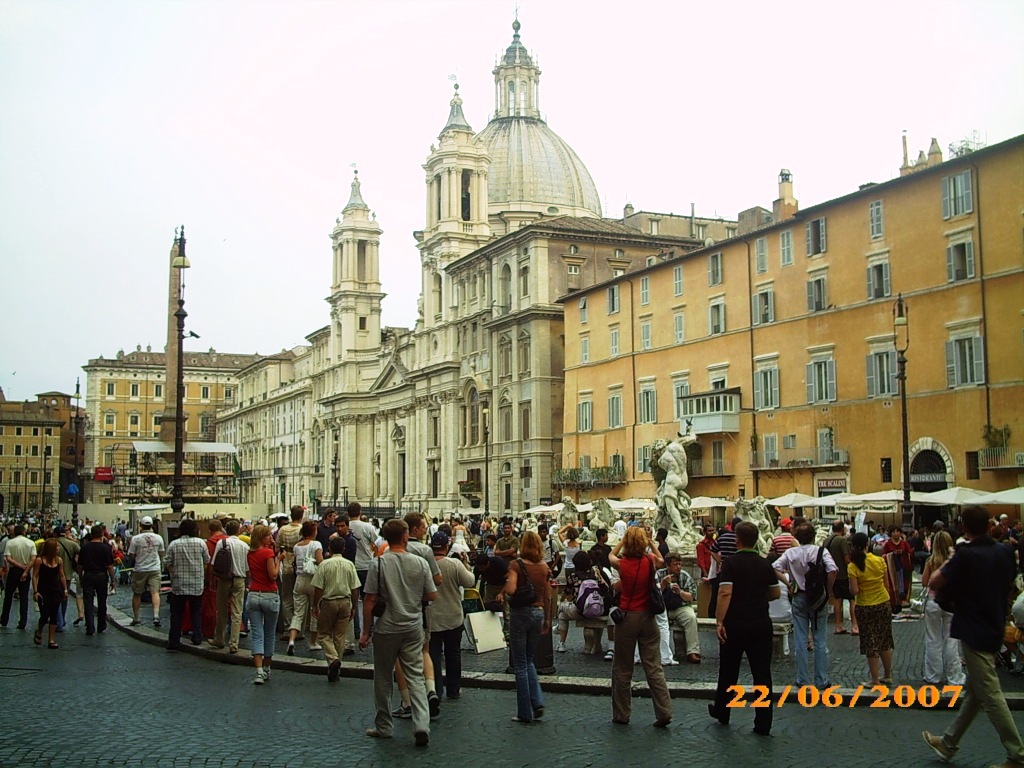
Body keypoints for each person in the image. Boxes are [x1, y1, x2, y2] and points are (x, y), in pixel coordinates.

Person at [923, 505, 1024, 767]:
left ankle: (1017, 754)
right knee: (975, 693)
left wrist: (950, 558)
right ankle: (947, 744)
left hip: (972, 628)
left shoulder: (965, 556)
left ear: (964, 528)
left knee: (990, 695)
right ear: (990, 525)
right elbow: (1010, 581)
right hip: (995, 625)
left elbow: (934, 582)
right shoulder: (1004, 551)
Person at [360, 518, 438, 747]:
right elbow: (432, 595)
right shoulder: (420, 562)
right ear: (405, 537)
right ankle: (422, 724)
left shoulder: (379, 563)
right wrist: (412, 596)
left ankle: (384, 726)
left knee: (383, 678)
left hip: (386, 627)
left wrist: (366, 631)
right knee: (415, 675)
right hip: (413, 626)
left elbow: (370, 599)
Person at [708, 521, 780, 737]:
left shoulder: (730, 563)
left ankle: (723, 710)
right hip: (760, 622)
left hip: (735, 624)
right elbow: (775, 593)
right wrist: (757, 597)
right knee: (762, 673)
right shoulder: (765, 563)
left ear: (738, 540)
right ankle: (763, 721)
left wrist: (719, 621)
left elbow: (725, 593)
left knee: (729, 670)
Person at [608, 526, 671, 728]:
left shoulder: (622, 564)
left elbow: (610, 554)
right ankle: (664, 711)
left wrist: (624, 541)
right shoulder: (649, 561)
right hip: (648, 617)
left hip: (627, 617)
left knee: (622, 668)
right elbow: (662, 560)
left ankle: (622, 713)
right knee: (654, 666)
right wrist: (650, 541)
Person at [772, 522, 838, 689]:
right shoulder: (821, 551)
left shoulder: (790, 553)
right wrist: (829, 590)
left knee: (800, 640)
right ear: (814, 536)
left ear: (797, 538)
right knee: (820, 639)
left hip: (799, 596)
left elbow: (775, 567)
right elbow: (833, 570)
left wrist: (788, 583)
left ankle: (802, 679)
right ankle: (821, 680)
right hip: (818, 597)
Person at [502, 530, 551, 724]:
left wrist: (506, 587)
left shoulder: (516, 564)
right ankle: (537, 701)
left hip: (520, 613)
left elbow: (512, 590)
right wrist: (547, 620)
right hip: (538, 613)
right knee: (529, 660)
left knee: (520, 663)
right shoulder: (544, 567)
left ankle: (524, 712)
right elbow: (547, 596)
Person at [428, 531, 475, 700]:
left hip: (432, 617)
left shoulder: (426, 564)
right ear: (447, 546)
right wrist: (465, 563)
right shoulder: (454, 564)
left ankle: (436, 690)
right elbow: (470, 581)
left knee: (433, 655)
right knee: (453, 654)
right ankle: (454, 689)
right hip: (453, 616)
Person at [311, 535, 361, 682]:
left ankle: (332, 659)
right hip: (345, 601)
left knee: (324, 633)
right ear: (344, 549)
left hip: (329, 601)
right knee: (340, 636)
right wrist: (353, 606)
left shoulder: (324, 565)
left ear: (329, 548)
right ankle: (336, 666)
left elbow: (318, 588)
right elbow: (355, 588)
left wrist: (315, 605)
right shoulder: (349, 565)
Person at [847, 531, 894, 686]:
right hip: (883, 602)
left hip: (865, 605)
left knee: (870, 642)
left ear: (853, 546)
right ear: (868, 544)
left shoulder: (853, 566)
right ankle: (887, 675)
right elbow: (886, 584)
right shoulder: (880, 560)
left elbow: (855, 591)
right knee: (885, 640)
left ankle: (875, 679)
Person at [922, 530, 965, 686]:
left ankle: (932, 675)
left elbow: (925, 582)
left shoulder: (930, 561)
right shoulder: (955, 561)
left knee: (933, 639)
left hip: (933, 602)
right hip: (951, 603)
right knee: (951, 640)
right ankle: (955, 676)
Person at [164, 518, 210, 651]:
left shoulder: (174, 544)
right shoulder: (201, 543)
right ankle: (196, 637)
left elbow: (167, 561)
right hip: (196, 582)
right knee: (196, 611)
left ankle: (174, 640)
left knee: (177, 613)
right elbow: (207, 560)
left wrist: (173, 572)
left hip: (179, 583)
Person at [246, 524, 283, 684]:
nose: (271, 538)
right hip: (269, 594)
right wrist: (279, 560)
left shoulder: (251, 553)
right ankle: (267, 669)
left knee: (256, 634)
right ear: (262, 537)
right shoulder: (267, 553)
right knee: (269, 634)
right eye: (268, 536)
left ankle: (259, 670)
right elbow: (273, 575)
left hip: (254, 594)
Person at [210, 519, 249, 653]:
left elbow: (214, 562)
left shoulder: (222, 542)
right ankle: (234, 643)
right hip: (239, 579)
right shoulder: (244, 546)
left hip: (224, 579)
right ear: (239, 530)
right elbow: (247, 567)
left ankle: (219, 639)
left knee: (221, 610)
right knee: (237, 612)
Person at [287, 520, 324, 655]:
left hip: (300, 579)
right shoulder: (316, 544)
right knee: (315, 610)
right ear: (313, 532)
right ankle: (313, 642)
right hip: (313, 580)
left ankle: (291, 640)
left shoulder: (297, 546)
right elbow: (320, 562)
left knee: (298, 613)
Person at [657, 553, 700, 663]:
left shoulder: (685, 576)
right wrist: (662, 584)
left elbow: (692, 597)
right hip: (662, 608)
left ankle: (693, 652)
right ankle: (657, 652)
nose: (678, 567)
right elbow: (653, 595)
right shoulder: (659, 574)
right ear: (668, 565)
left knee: (691, 617)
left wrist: (680, 592)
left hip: (680, 607)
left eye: (680, 564)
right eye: (675, 564)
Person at [127, 516, 165, 627]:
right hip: (155, 568)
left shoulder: (136, 539)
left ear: (141, 525)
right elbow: (162, 553)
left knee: (137, 594)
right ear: (152, 525)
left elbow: (131, 554)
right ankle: (156, 615)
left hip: (140, 568)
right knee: (155, 592)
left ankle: (136, 618)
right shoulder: (158, 538)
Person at [78, 524, 115, 635]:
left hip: (88, 575)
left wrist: (80, 577)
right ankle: (101, 625)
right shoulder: (106, 548)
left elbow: (80, 566)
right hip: (101, 575)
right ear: (102, 534)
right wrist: (113, 580)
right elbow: (109, 566)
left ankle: (90, 627)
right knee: (102, 601)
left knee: (88, 601)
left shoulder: (84, 547)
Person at [824, 519, 859, 635]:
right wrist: (853, 570)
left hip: (832, 575)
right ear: (842, 529)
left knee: (837, 600)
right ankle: (855, 626)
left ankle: (838, 625)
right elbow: (846, 558)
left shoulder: (826, 540)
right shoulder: (842, 540)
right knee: (852, 599)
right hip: (844, 574)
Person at [31, 538, 67, 649]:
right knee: (44, 615)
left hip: (55, 590)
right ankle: (39, 630)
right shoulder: (39, 560)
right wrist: (35, 591)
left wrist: (65, 589)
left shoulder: (59, 560)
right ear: (51, 548)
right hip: (43, 590)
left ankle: (51, 640)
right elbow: (35, 576)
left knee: (54, 615)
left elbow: (61, 575)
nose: (58, 548)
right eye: (56, 546)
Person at [275, 505, 304, 637]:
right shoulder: (302, 529)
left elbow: (277, 547)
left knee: (286, 598)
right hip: (299, 565)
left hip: (286, 564)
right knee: (299, 598)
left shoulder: (283, 529)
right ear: (301, 516)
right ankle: (299, 628)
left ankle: (288, 627)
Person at [1, 525, 37, 630]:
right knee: (24, 597)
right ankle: (23, 622)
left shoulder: (10, 543)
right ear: (24, 532)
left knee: (8, 596)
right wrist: (26, 570)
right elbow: (33, 558)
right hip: (26, 570)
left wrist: (19, 566)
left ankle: (4, 619)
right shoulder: (30, 543)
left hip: (14, 571)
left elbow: (8, 558)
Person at [882, 526, 914, 605]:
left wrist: (904, 553)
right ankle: (894, 600)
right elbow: (883, 555)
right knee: (893, 583)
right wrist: (892, 554)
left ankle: (903, 599)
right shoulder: (888, 544)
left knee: (905, 583)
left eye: (897, 531)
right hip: (892, 568)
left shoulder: (904, 543)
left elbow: (910, 552)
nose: (896, 534)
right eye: (893, 532)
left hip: (904, 567)